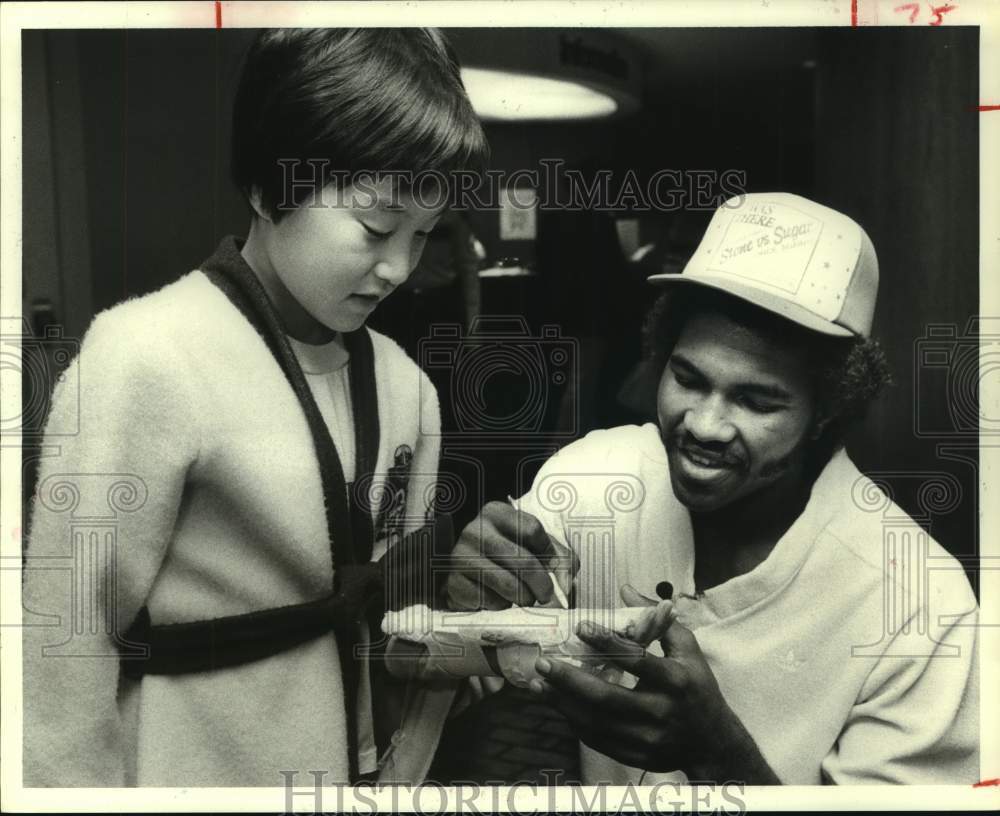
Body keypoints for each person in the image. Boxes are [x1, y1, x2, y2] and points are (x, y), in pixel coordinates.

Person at [21, 28, 487, 787]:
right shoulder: (146, 354)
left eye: (425, 234)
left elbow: (395, 627)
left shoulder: (409, 390)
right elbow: (65, 641)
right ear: (271, 188)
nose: (400, 268)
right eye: (376, 227)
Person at [440, 193, 979, 784]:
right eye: (688, 378)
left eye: (754, 400)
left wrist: (719, 756)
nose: (703, 425)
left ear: (829, 409)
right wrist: (462, 596)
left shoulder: (919, 604)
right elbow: (451, 673)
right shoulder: (591, 482)